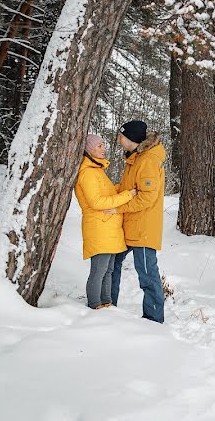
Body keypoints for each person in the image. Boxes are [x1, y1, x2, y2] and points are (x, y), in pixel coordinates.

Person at [110, 120, 167, 323]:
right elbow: (128, 188)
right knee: (112, 264)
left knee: (147, 273)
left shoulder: (148, 160)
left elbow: (146, 197)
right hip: (130, 226)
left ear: (132, 139)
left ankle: (153, 319)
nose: (119, 140)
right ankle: (108, 307)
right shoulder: (135, 158)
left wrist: (118, 207)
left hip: (143, 228)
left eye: (122, 136)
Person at [74, 135, 137, 310]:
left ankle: (107, 303)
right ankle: (95, 305)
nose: (104, 149)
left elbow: (107, 194)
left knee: (108, 270)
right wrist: (126, 195)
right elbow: (97, 202)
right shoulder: (87, 172)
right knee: (99, 271)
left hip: (108, 228)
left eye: (103, 145)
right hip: (98, 227)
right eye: (100, 146)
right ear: (89, 150)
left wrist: (123, 187)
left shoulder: (97, 171)